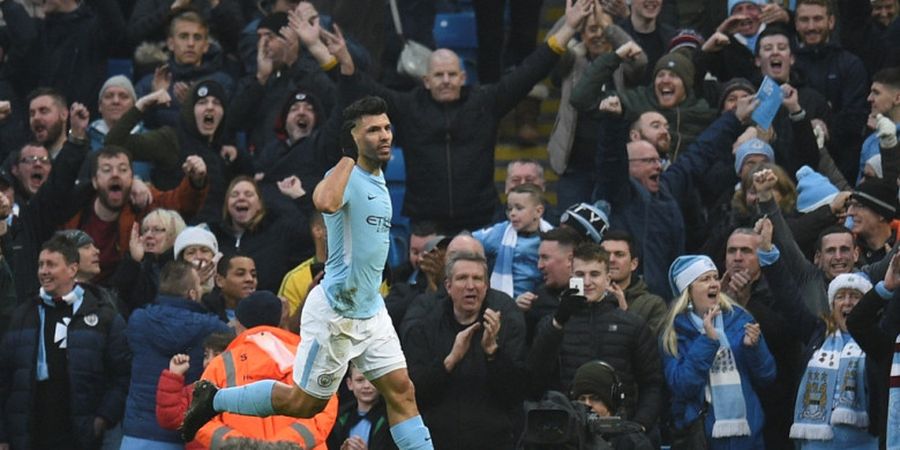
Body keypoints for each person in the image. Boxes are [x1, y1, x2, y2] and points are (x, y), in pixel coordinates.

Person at [181, 96, 434, 450]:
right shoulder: (343, 175)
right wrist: (347, 155)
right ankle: (213, 400)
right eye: (373, 130)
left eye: (387, 128)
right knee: (303, 403)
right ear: (354, 138)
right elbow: (325, 202)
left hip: (370, 310)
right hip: (337, 313)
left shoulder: (378, 178)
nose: (385, 136)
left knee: (403, 392)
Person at [334, 0, 594, 232]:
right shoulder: (408, 106)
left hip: (480, 222)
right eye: (438, 75)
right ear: (426, 81)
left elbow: (530, 71)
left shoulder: (485, 102)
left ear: (463, 77)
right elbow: (365, 89)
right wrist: (344, 61)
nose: (445, 81)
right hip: (427, 225)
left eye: (451, 75)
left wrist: (569, 27)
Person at [755, 220, 881, 449]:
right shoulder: (817, 333)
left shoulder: (877, 340)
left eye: (855, 297)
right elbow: (787, 294)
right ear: (831, 305)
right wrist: (766, 251)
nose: (848, 302)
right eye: (841, 297)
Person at [0, 236, 131, 449]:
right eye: (41, 265)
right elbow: (4, 378)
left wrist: (102, 419)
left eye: (51, 264)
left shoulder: (103, 315)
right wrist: (3, 435)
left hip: (81, 436)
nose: (44, 271)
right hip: (31, 436)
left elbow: (123, 374)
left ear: (72, 269)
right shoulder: (23, 316)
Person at [528, 243, 663, 441]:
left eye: (595, 274)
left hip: (621, 435)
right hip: (568, 436)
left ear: (608, 278)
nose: (588, 281)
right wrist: (559, 321)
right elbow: (535, 378)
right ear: (571, 278)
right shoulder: (553, 324)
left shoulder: (632, 324)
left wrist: (639, 426)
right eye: (580, 275)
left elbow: (652, 383)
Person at [404, 251, 527, 450]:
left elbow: (516, 394)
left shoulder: (506, 324)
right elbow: (416, 394)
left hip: (495, 442)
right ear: (448, 286)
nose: (471, 286)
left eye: (477, 279)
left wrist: (492, 352)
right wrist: (450, 361)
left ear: (486, 287)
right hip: (439, 442)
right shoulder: (427, 326)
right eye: (462, 278)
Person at [661, 254, 776, 449]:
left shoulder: (739, 319)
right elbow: (682, 386)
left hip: (747, 437)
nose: (714, 283)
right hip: (701, 438)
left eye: (715, 277)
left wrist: (754, 348)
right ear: (688, 290)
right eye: (705, 279)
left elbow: (767, 377)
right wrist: (707, 341)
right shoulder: (674, 333)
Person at [196, 291, 338, 449]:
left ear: (240, 325)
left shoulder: (221, 364)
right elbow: (324, 411)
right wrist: (281, 445)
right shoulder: (309, 360)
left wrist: (244, 446)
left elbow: (200, 419)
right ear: (279, 321)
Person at [121, 260, 230, 449]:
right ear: (192, 294)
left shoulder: (138, 321)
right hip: (190, 434)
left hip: (138, 432)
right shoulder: (213, 328)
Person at [62, 146, 209, 283]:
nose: (115, 175)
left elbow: (180, 204)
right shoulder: (76, 208)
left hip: (123, 296)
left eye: (123, 170)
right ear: (94, 181)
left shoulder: (142, 201)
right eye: (107, 170)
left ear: (132, 178)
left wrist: (195, 182)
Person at [474, 183, 553, 298]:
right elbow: (467, 240)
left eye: (519, 208)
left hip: (543, 301)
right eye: (509, 209)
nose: (512, 214)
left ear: (539, 211)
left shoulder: (553, 237)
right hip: (507, 305)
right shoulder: (501, 232)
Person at [155, 332, 235, 442]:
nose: (208, 361)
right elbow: (170, 419)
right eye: (206, 355)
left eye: (217, 355)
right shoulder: (197, 391)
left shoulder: (242, 389)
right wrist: (174, 375)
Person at [569, 360, 655, 450]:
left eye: (595, 399)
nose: (587, 404)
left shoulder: (633, 442)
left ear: (612, 401)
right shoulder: (566, 439)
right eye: (582, 399)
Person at [599, 230, 667, 335]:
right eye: (605, 254)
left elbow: (650, 348)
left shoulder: (653, 305)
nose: (611, 259)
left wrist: (625, 313)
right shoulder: (586, 298)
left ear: (634, 264)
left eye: (619, 254)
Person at [328, 364, 398, 450]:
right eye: (360, 380)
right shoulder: (338, 417)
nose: (366, 386)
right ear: (350, 384)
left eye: (372, 380)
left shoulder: (392, 418)